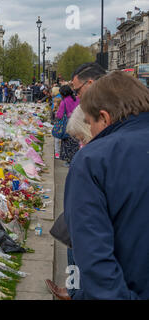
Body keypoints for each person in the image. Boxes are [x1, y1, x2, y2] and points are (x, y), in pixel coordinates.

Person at [62, 71, 149, 300]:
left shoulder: (93, 160)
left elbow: (94, 259)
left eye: (90, 123)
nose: (89, 131)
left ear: (105, 117)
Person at [56, 85, 80, 165]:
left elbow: (60, 115)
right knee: (76, 142)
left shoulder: (64, 101)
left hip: (68, 124)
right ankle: (76, 159)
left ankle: (69, 161)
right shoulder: (77, 99)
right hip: (78, 123)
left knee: (67, 143)